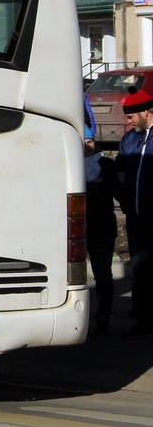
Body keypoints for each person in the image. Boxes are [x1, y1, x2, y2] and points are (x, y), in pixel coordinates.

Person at [114, 89, 153, 338]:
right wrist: (124, 198)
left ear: (146, 112)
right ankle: (144, 318)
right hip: (136, 217)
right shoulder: (130, 139)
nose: (128, 122)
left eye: (131, 117)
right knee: (140, 268)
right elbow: (120, 171)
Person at [83, 123, 117, 334]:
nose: (87, 146)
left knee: (103, 274)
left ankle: (103, 317)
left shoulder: (105, 165)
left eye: (90, 142)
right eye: (83, 142)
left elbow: (119, 189)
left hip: (102, 227)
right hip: (76, 229)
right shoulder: (69, 165)